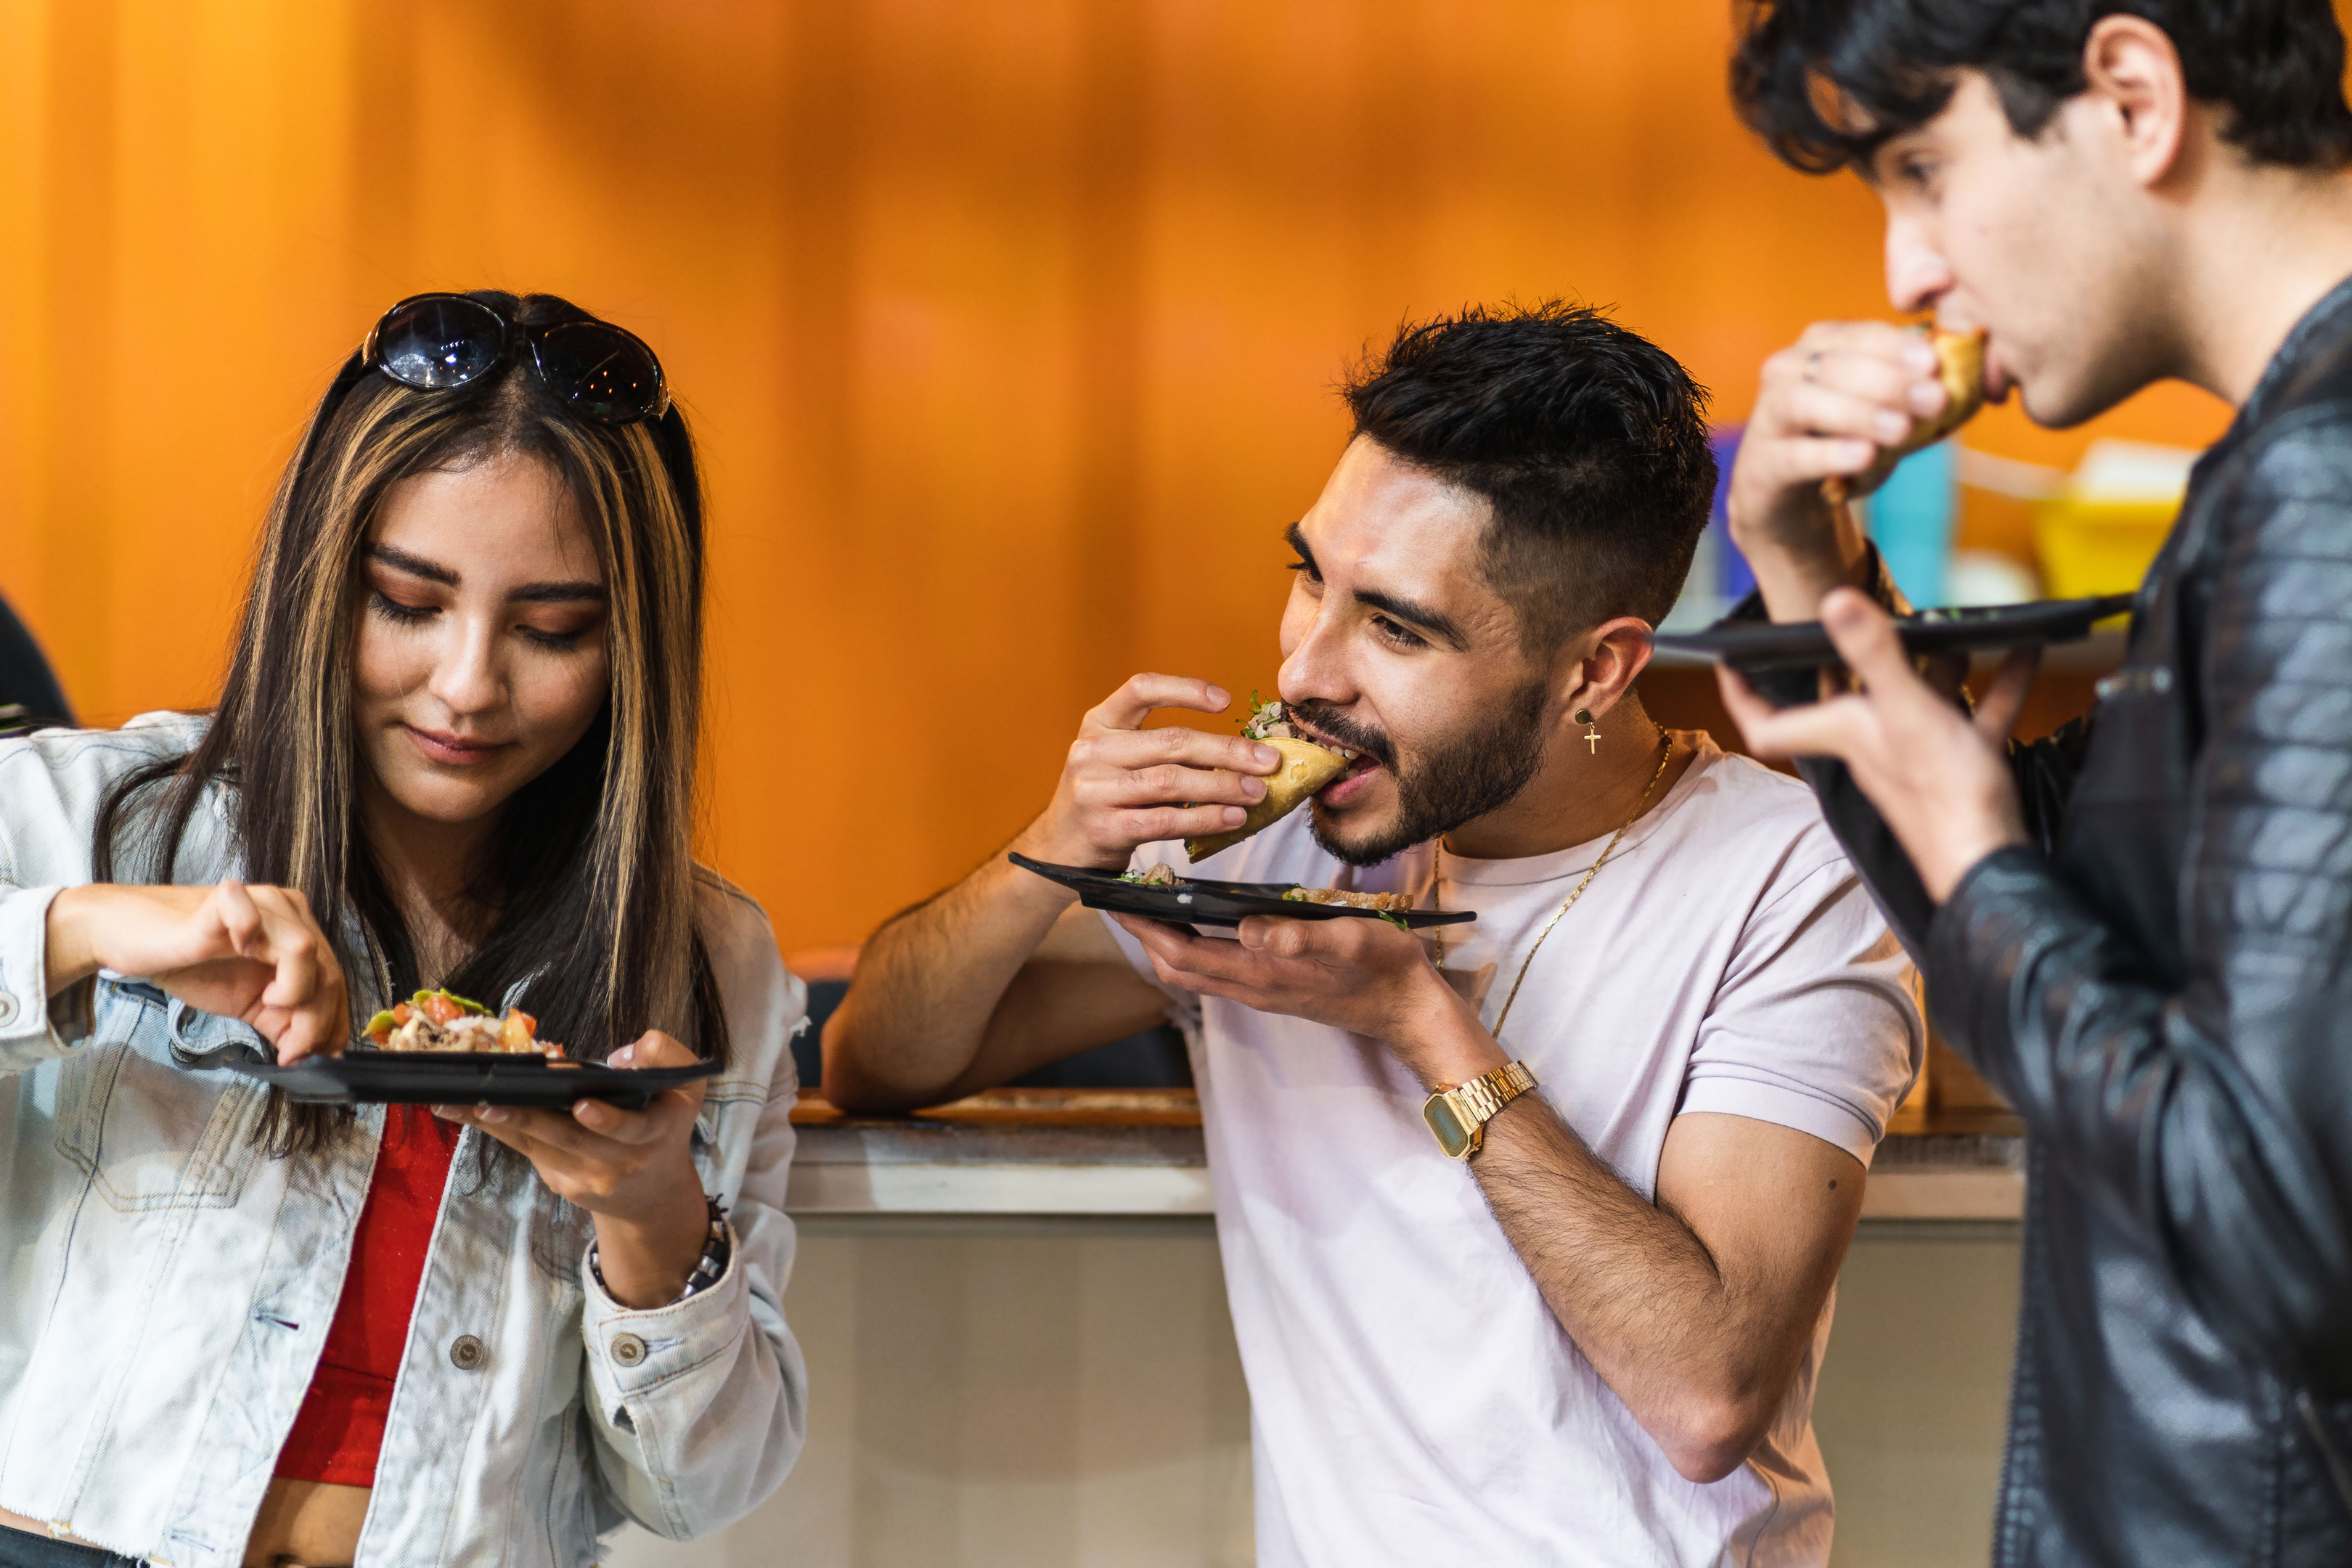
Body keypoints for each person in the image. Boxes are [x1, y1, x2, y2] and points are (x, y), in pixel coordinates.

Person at [825, 303, 1923, 1566]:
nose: (1305, 672)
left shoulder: (1792, 874)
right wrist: (1054, 847)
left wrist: (1417, 1019)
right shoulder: (1275, 840)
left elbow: (1706, 1395)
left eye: (1395, 627)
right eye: (1310, 577)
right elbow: (878, 1058)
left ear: (1596, 673)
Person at [0, 292, 807, 1568]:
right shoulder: (93, 821)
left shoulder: (710, 964)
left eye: (553, 631)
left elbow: (701, 1490)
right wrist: (88, 930)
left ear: (632, 650)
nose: (470, 684)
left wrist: (655, 1218)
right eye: (408, 604)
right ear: (322, 582)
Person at [1718, 3, 2352, 1562]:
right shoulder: (2277, 458)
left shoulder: (2322, 483)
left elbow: (2277, 1223)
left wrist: (1983, 864)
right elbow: (2107, 917)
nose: (1906, 273)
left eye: (1923, 168)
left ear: (2134, 95)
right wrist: (1801, 560)